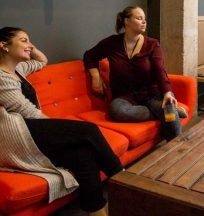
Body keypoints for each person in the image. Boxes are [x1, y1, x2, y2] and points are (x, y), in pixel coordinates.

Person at [0, 27, 123, 216]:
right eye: (23, 40)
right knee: (88, 130)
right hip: (18, 137)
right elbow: (27, 111)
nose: (30, 45)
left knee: (83, 155)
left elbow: (42, 60)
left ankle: (97, 212)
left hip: (33, 129)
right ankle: (124, 179)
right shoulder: (1, 77)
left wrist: (29, 47)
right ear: (4, 46)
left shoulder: (18, 69)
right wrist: (57, 128)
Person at [83, 6, 186, 142]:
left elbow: (159, 70)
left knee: (169, 112)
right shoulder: (112, 43)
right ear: (126, 21)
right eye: (139, 18)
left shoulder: (152, 44)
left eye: (144, 19)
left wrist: (168, 92)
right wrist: (95, 76)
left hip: (151, 94)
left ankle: (176, 145)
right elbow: (89, 56)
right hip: (124, 96)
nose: (144, 22)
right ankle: (165, 112)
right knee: (116, 111)